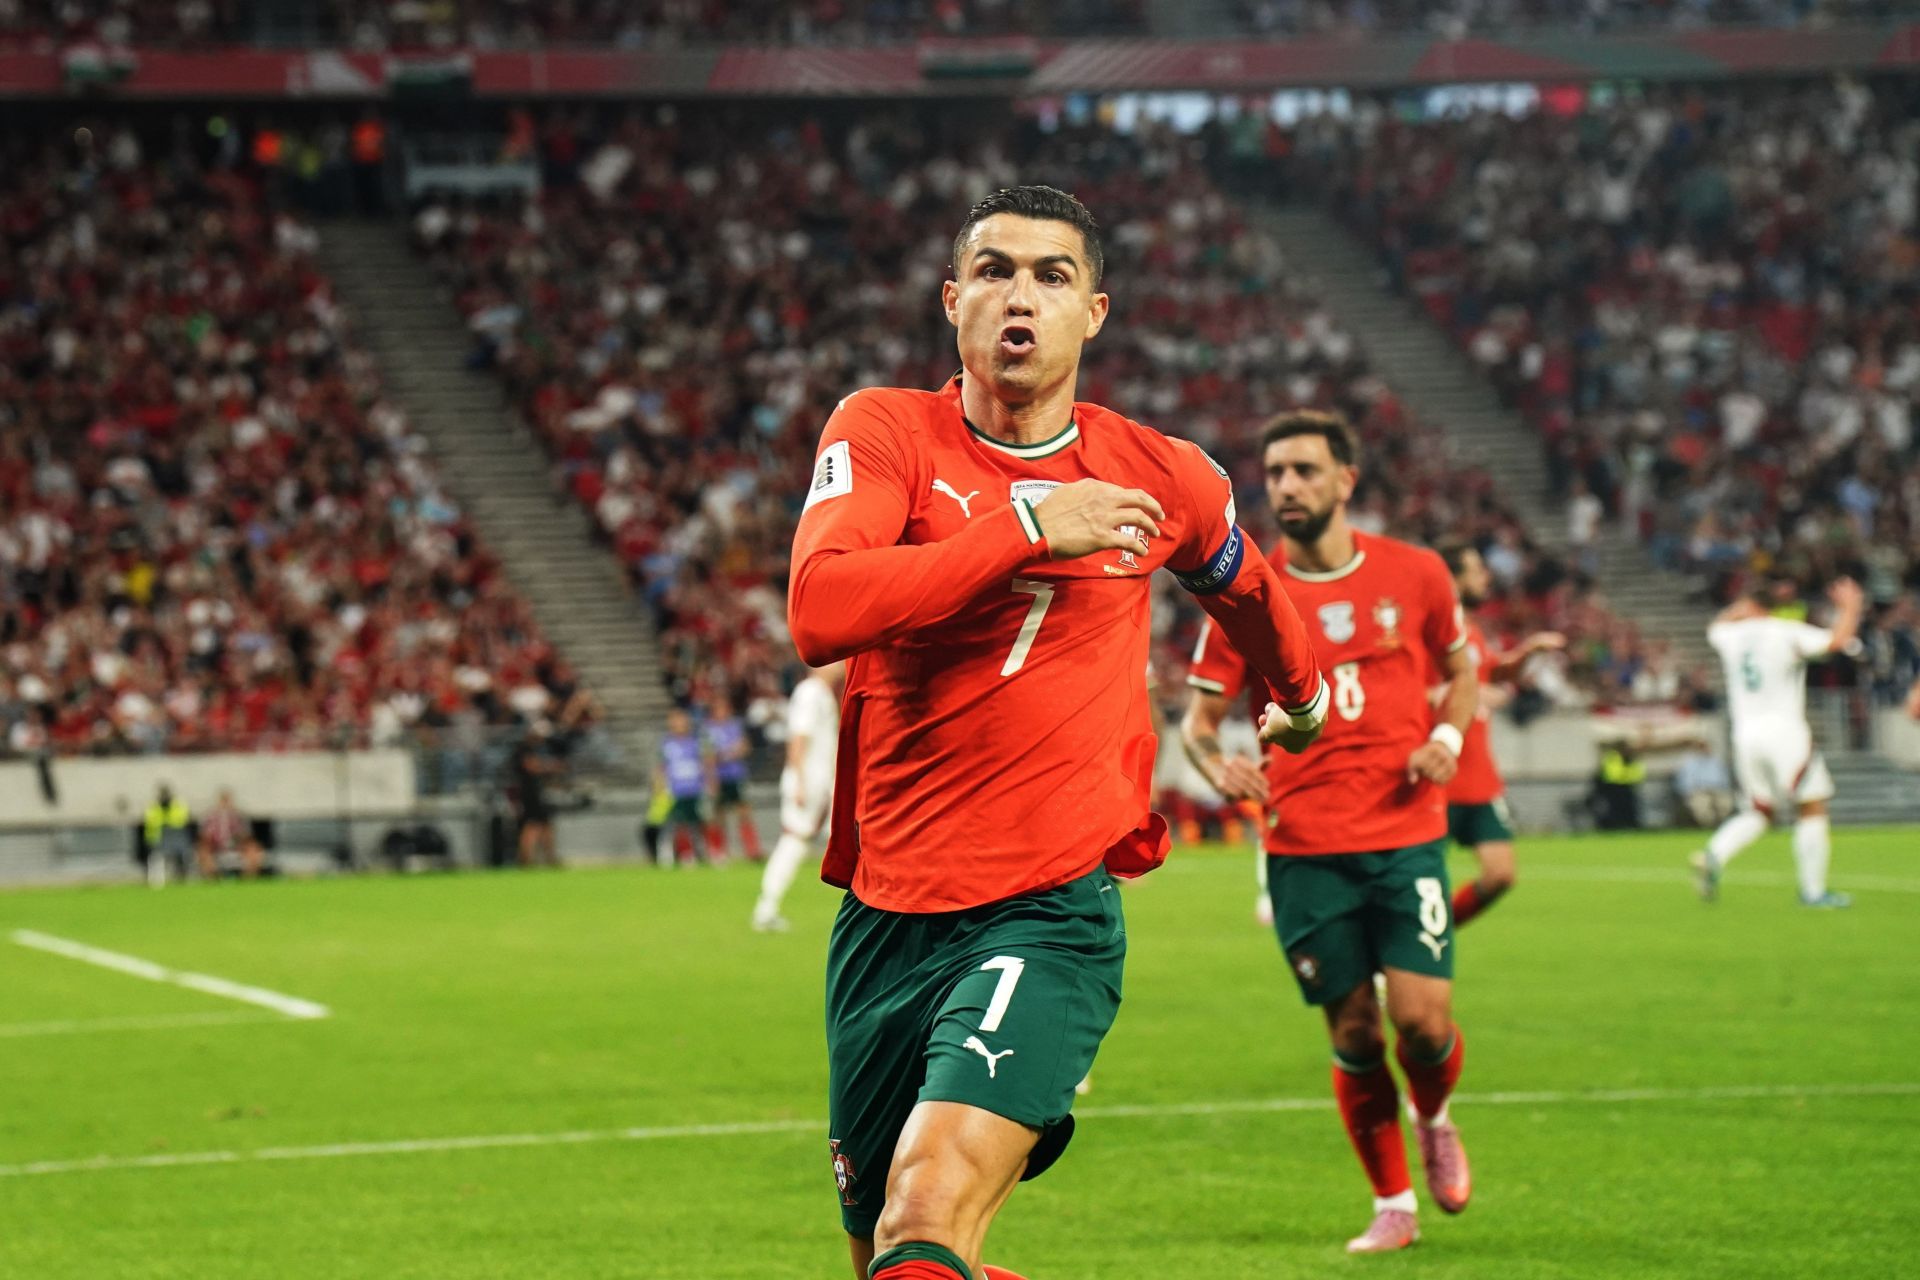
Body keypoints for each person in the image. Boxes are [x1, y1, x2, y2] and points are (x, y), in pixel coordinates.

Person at [787, 185, 1328, 1280]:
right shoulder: (884, 428)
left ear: (1096, 312)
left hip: (1047, 907)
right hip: (886, 914)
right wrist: (1029, 523)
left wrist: (1300, 691)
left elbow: (1249, 585)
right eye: (993, 270)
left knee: (926, 1205)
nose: (1019, 295)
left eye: (1052, 274)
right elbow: (822, 608)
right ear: (951, 300)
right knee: (883, 1251)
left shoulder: (1157, 471)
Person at [1182, 410, 1477, 1255]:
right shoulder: (1243, 592)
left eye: (1305, 471)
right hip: (1304, 846)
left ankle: (1435, 1114)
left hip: (1404, 832)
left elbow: (1463, 669)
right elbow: (1199, 723)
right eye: (1274, 473)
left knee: (1422, 1024)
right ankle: (1393, 1204)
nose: (1286, 487)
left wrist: (1446, 740)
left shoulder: (1417, 574)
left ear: (1347, 480)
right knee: (1353, 1031)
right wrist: (1214, 765)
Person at [1691, 578, 1864, 908]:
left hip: (1745, 736)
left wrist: (1736, 609)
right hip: (1785, 732)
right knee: (1812, 805)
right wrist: (1851, 607)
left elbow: (1714, 626)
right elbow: (1838, 642)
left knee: (1760, 810)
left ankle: (1714, 855)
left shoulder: (1731, 636)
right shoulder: (1785, 630)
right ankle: (1813, 892)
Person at [1436, 542, 1564, 926]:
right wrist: (1465, 691)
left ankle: (1437, 932)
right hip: (1438, 778)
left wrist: (1529, 651)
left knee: (1500, 874)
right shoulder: (1430, 627)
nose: (1485, 578)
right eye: (1476, 570)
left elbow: (1496, 672)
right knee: (1416, 883)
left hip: (1479, 780)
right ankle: (1413, 945)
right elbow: (1409, 691)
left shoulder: (1471, 632)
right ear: (1452, 580)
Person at [752, 661, 846, 932]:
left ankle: (768, 906)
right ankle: (766, 907)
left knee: (835, 840)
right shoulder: (810, 692)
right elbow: (798, 738)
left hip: (821, 782)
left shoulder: (821, 693)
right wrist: (800, 781)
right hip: (809, 781)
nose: (841, 665)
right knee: (795, 839)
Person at [705, 695, 763, 862]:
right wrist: (711, 778)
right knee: (719, 815)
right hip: (720, 776)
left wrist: (728, 753)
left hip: (736, 775)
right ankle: (719, 851)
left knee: (744, 811)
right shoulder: (709, 729)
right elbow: (708, 755)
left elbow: (745, 747)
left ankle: (752, 850)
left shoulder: (735, 725)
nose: (723, 712)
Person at [655, 706, 711, 867]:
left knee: (696, 823)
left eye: (681, 720)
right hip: (674, 790)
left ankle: (698, 853)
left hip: (694, 788)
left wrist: (708, 782)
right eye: (675, 720)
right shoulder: (665, 743)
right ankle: (672, 854)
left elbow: (705, 763)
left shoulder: (696, 741)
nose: (679, 723)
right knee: (674, 824)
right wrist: (659, 787)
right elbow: (660, 767)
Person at [509, 726, 560, 867]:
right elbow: (531, 767)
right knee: (532, 826)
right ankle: (526, 860)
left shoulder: (526, 749)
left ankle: (549, 858)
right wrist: (550, 767)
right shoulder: (524, 749)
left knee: (544, 825)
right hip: (529, 793)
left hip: (531, 792)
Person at [197, 789, 266, 879]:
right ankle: (212, 880)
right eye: (223, 800)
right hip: (216, 847)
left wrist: (239, 840)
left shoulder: (238, 817)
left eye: (227, 800)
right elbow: (205, 836)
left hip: (237, 847)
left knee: (253, 850)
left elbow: (246, 836)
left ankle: (248, 880)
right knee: (203, 851)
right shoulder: (210, 817)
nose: (225, 803)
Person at [142, 782, 193, 888]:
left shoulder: (178, 805)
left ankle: (181, 878)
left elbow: (183, 819)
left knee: (182, 855)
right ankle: (154, 881)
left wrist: (166, 822)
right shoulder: (153, 807)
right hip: (158, 840)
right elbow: (150, 821)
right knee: (153, 856)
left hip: (176, 840)